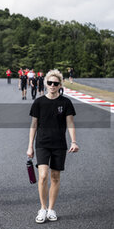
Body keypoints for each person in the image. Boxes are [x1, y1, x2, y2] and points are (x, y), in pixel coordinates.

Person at [27, 69, 79, 224]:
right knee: (42, 176)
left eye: (55, 83)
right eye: (49, 83)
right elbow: (33, 125)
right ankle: (42, 208)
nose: (52, 85)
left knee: (55, 177)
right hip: (42, 143)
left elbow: (70, 123)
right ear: (45, 83)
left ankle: (51, 209)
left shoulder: (66, 102)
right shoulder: (39, 102)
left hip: (59, 145)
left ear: (59, 85)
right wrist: (30, 146)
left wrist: (74, 141)